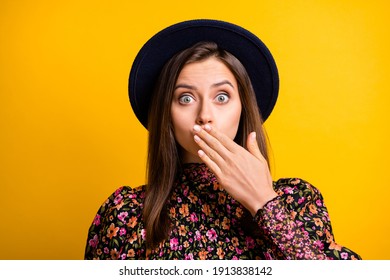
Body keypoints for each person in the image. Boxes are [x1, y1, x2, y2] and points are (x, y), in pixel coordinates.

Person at [84, 19, 361, 260]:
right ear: (165, 114)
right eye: (186, 98)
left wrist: (264, 202)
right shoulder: (125, 214)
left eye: (222, 97)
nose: (205, 115)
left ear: (243, 108)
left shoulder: (296, 202)